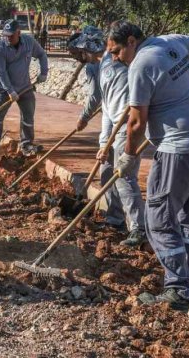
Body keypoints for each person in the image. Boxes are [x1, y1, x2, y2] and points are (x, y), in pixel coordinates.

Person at [106, 20, 189, 310]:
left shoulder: (140, 66)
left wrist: (128, 158)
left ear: (132, 41)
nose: (114, 57)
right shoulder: (172, 41)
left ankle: (179, 290)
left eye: (117, 50)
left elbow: (136, 122)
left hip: (180, 148)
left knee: (158, 219)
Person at [67, 26, 146, 247]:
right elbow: (107, 108)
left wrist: (111, 136)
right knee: (107, 172)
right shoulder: (102, 67)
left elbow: (122, 107)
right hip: (114, 126)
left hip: (127, 127)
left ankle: (139, 228)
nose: (81, 57)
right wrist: (104, 143)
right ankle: (115, 220)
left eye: (81, 52)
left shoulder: (115, 66)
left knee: (124, 176)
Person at [0, 19, 49, 158]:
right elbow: (1, 72)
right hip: (4, 89)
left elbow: (42, 55)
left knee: (28, 116)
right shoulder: (0, 48)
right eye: (5, 35)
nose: (7, 38)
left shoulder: (28, 42)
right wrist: (10, 91)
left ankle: (26, 145)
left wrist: (44, 72)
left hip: (25, 87)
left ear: (18, 33)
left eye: (11, 35)